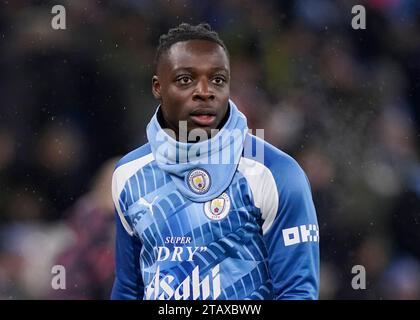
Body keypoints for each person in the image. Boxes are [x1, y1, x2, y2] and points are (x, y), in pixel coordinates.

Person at [111, 23, 319, 300]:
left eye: (218, 80)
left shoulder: (274, 172)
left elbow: (297, 292)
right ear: (158, 87)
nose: (205, 91)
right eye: (186, 80)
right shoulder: (128, 174)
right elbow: (128, 289)